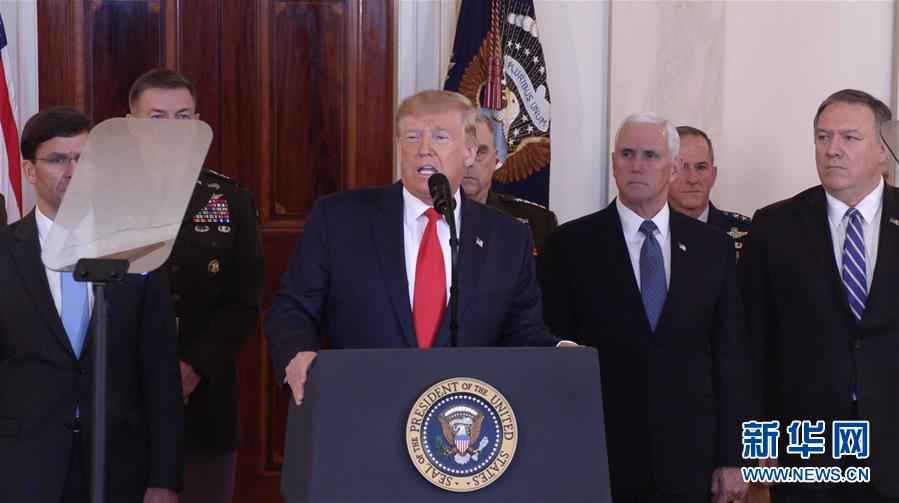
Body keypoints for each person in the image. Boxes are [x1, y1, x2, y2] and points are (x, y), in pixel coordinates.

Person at [266, 90, 565, 405]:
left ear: (469, 152)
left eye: (439, 137)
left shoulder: (507, 237)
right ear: (399, 147)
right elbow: (292, 309)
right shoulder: (339, 219)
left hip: (462, 419)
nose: (424, 150)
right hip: (361, 409)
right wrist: (297, 353)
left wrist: (561, 352)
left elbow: (522, 330)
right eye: (412, 137)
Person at [539, 113, 756, 503]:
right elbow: (553, 357)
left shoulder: (713, 248)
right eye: (627, 154)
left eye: (650, 155)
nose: (636, 165)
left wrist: (733, 457)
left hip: (690, 459)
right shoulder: (569, 245)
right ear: (613, 164)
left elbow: (731, 356)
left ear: (673, 168)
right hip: (600, 455)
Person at [0, 107, 182, 502]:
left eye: (83, 159)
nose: (73, 171)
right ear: (29, 171)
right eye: (58, 160)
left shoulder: (138, 252)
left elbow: (160, 372)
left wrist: (164, 478)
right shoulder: (4, 254)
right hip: (23, 470)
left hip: (120, 468)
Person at [742, 89, 899, 503]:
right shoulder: (775, 226)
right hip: (806, 450)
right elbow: (752, 345)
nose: (832, 150)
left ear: (883, 151)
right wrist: (758, 441)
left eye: (849, 138)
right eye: (823, 137)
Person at [128, 68, 263, 503]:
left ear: (198, 123)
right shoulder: (103, 198)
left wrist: (194, 368)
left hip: (204, 398)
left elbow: (244, 301)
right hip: (123, 396)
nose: (172, 129)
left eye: (183, 117)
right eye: (157, 118)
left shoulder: (230, 198)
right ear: (132, 124)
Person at [461, 112, 558, 255]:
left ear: (495, 161)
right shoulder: (427, 219)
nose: (470, 162)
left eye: (480, 152)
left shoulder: (538, 221)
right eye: (462, 151)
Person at [669, 125, 751, 261]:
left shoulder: (748, 233)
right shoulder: (649, 235)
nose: (693, 179)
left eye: (701, 167)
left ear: (713, 175)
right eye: (682, 167)